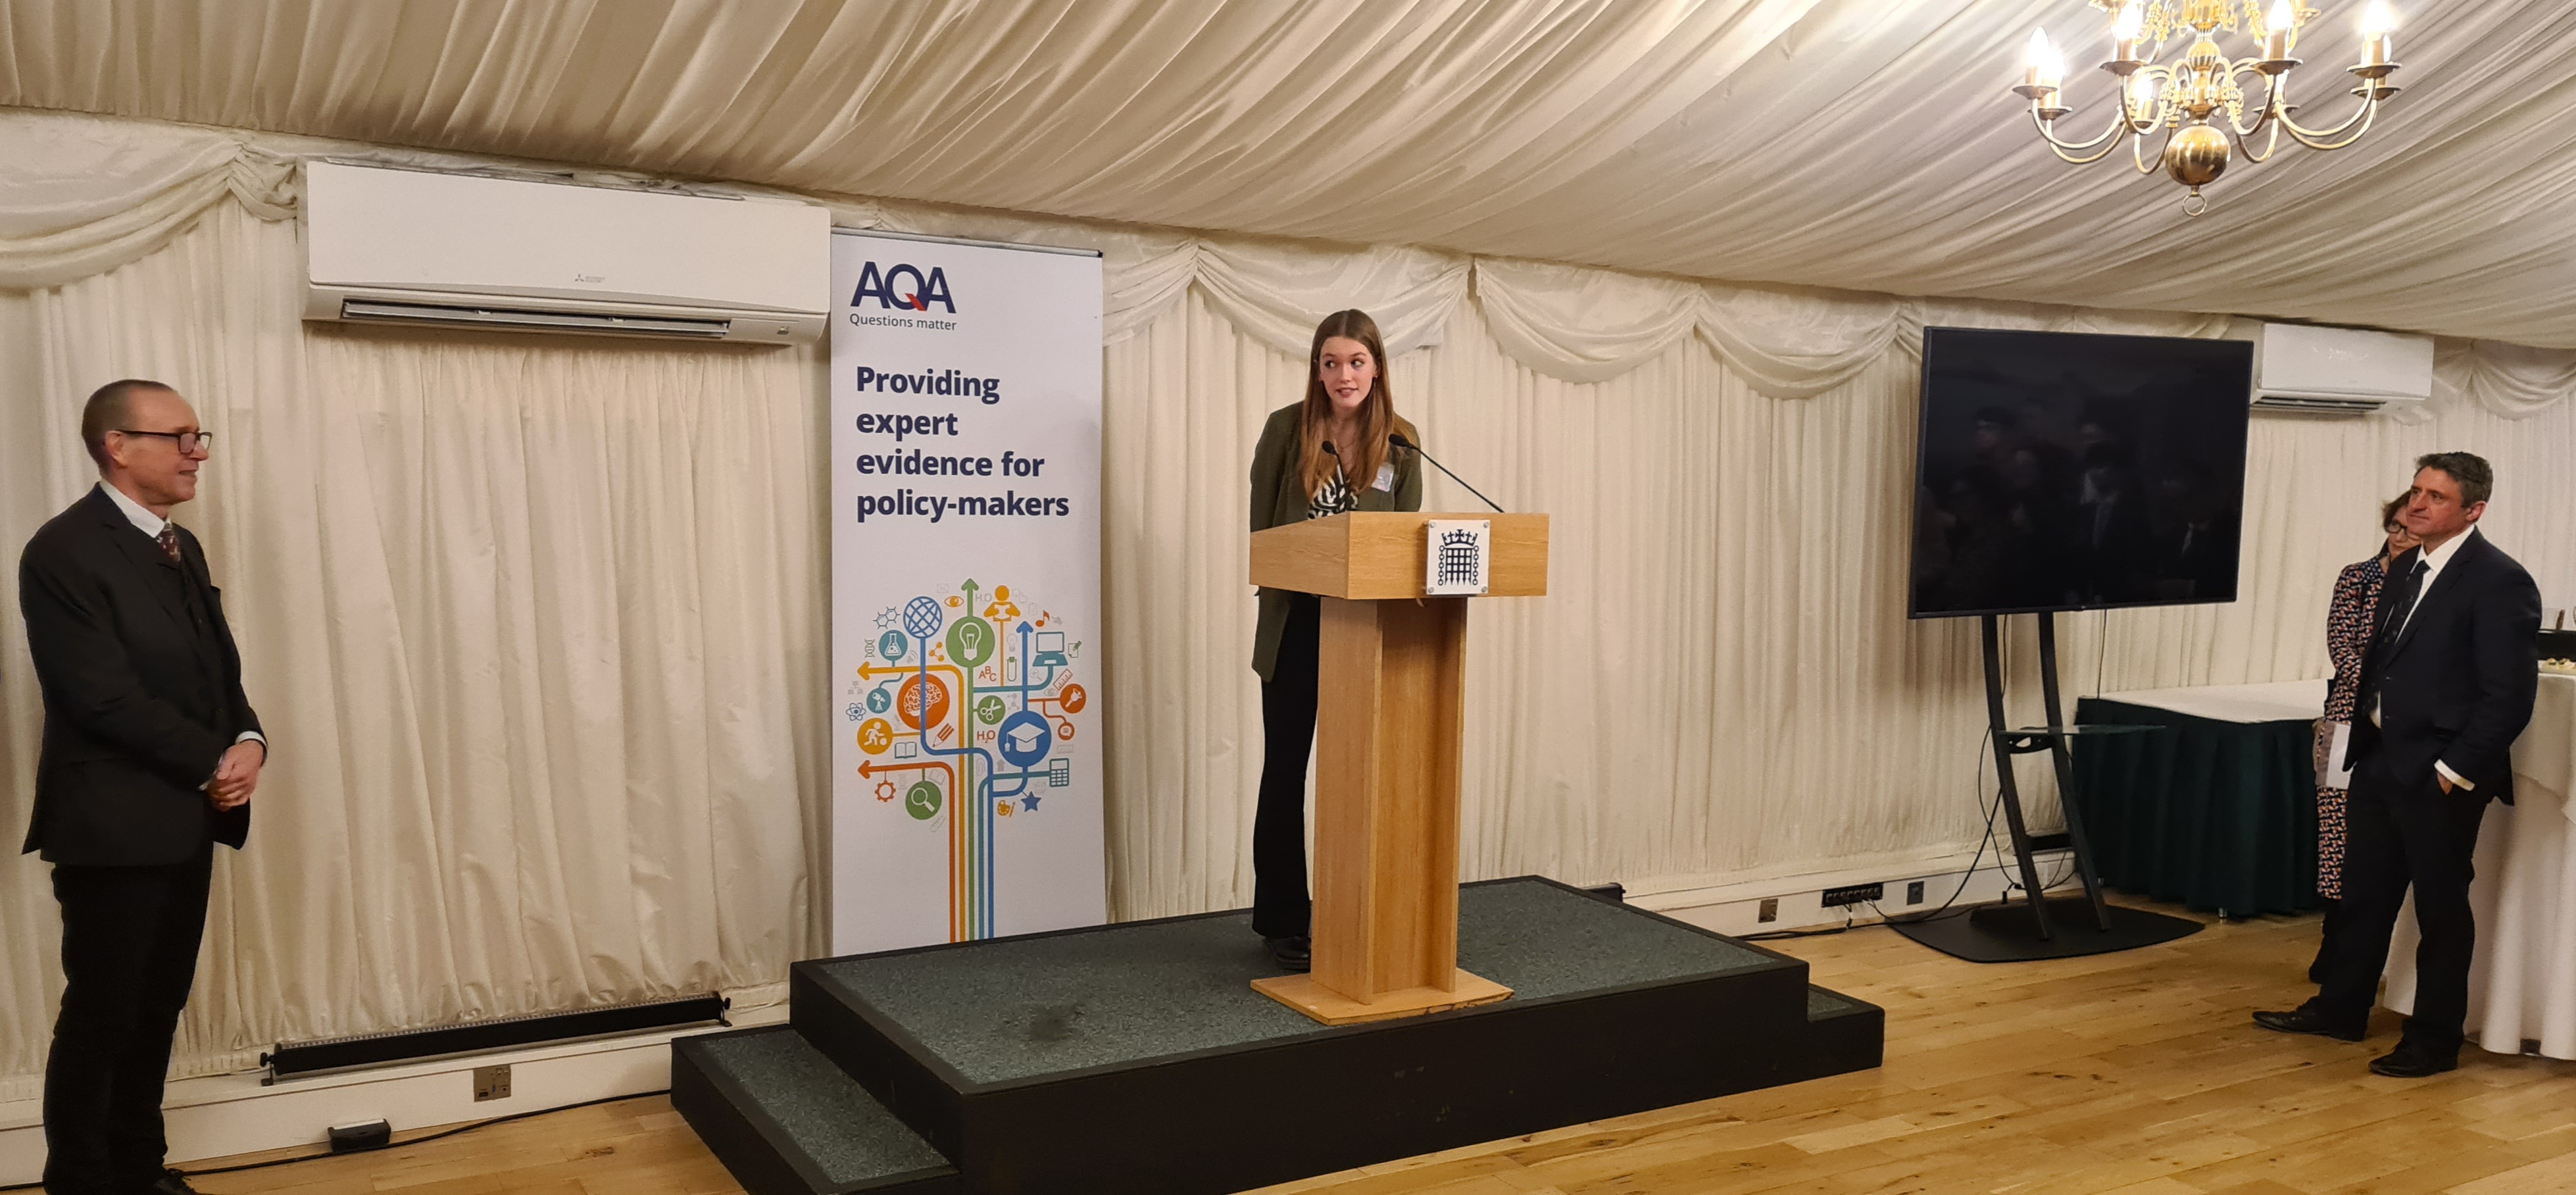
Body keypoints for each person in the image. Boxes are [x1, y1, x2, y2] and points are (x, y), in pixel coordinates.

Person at [21, 380, 266, 1195]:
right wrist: (210, 762)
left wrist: (248, 740)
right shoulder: (63, 550)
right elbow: (100, 696)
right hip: (111, 827)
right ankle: (84, 1184)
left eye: (201, 436)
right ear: (117, 446)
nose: (198, 452)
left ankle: (137, 1167)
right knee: (103, 1016)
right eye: (180, 436)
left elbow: (216, 670)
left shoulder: (179, 545)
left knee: (158, 1009)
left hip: (183, 820)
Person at [2256, 452, 2541, 1077]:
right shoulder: (2404, 567)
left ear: (2473, 511)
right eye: (2416, 491)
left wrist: (2454, 769)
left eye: (2436, 497)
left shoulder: (2499, 580)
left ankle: (2434, 1042)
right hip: (2381, 757)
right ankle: (2340, 1010)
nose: (2417, 504)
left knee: (2440, 910)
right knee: (2363, 896)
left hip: (2440, 773)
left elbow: (2510, 696)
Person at [1245, 310, 1424, 973]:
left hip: (1364, 631)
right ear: (1316, 369)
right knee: (1285, 772)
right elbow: (1261, 541)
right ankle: (1283, 920)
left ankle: (1356, 910)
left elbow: (1406, 547)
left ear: (1375, 366)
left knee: (1360, 780)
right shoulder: (1285, 429)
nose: (1341, 374)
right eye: (1329, 362)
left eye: (1354, 361)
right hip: (1295, 629)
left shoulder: (1402, 443)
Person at [2306, 492, 2419, 983]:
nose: (2398, 538)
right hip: (2344, 723)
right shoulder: (2359, 576)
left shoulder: (2433, 586)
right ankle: (2333, 946)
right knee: (2335, 836)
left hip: (2407, 731)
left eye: (2409, 531)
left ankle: (2378, 958)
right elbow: (2343, 649)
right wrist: (2390, 690)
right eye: (2393, 527)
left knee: (2383, 846)